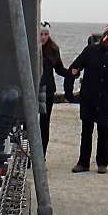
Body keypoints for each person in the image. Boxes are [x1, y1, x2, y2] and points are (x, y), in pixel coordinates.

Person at [68, 23, 108, 174]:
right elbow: (75, 66)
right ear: (105, 36)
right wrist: (74, 74)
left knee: (103, 130)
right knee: (86, 131)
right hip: (89, 99)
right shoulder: (90, 51)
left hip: (106, 101)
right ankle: (83, 163)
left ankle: (102, 163)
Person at [39, 23, 72, 154]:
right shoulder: (31, 47)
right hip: (33, 88)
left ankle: (42, 154)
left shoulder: (53, 49)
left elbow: (59, 69)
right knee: (27, 123)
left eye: (46, 34)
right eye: (41, 34)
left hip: (47, 90)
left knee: (44, 123)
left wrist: (71, 73)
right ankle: (29, 154)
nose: (43, 37)